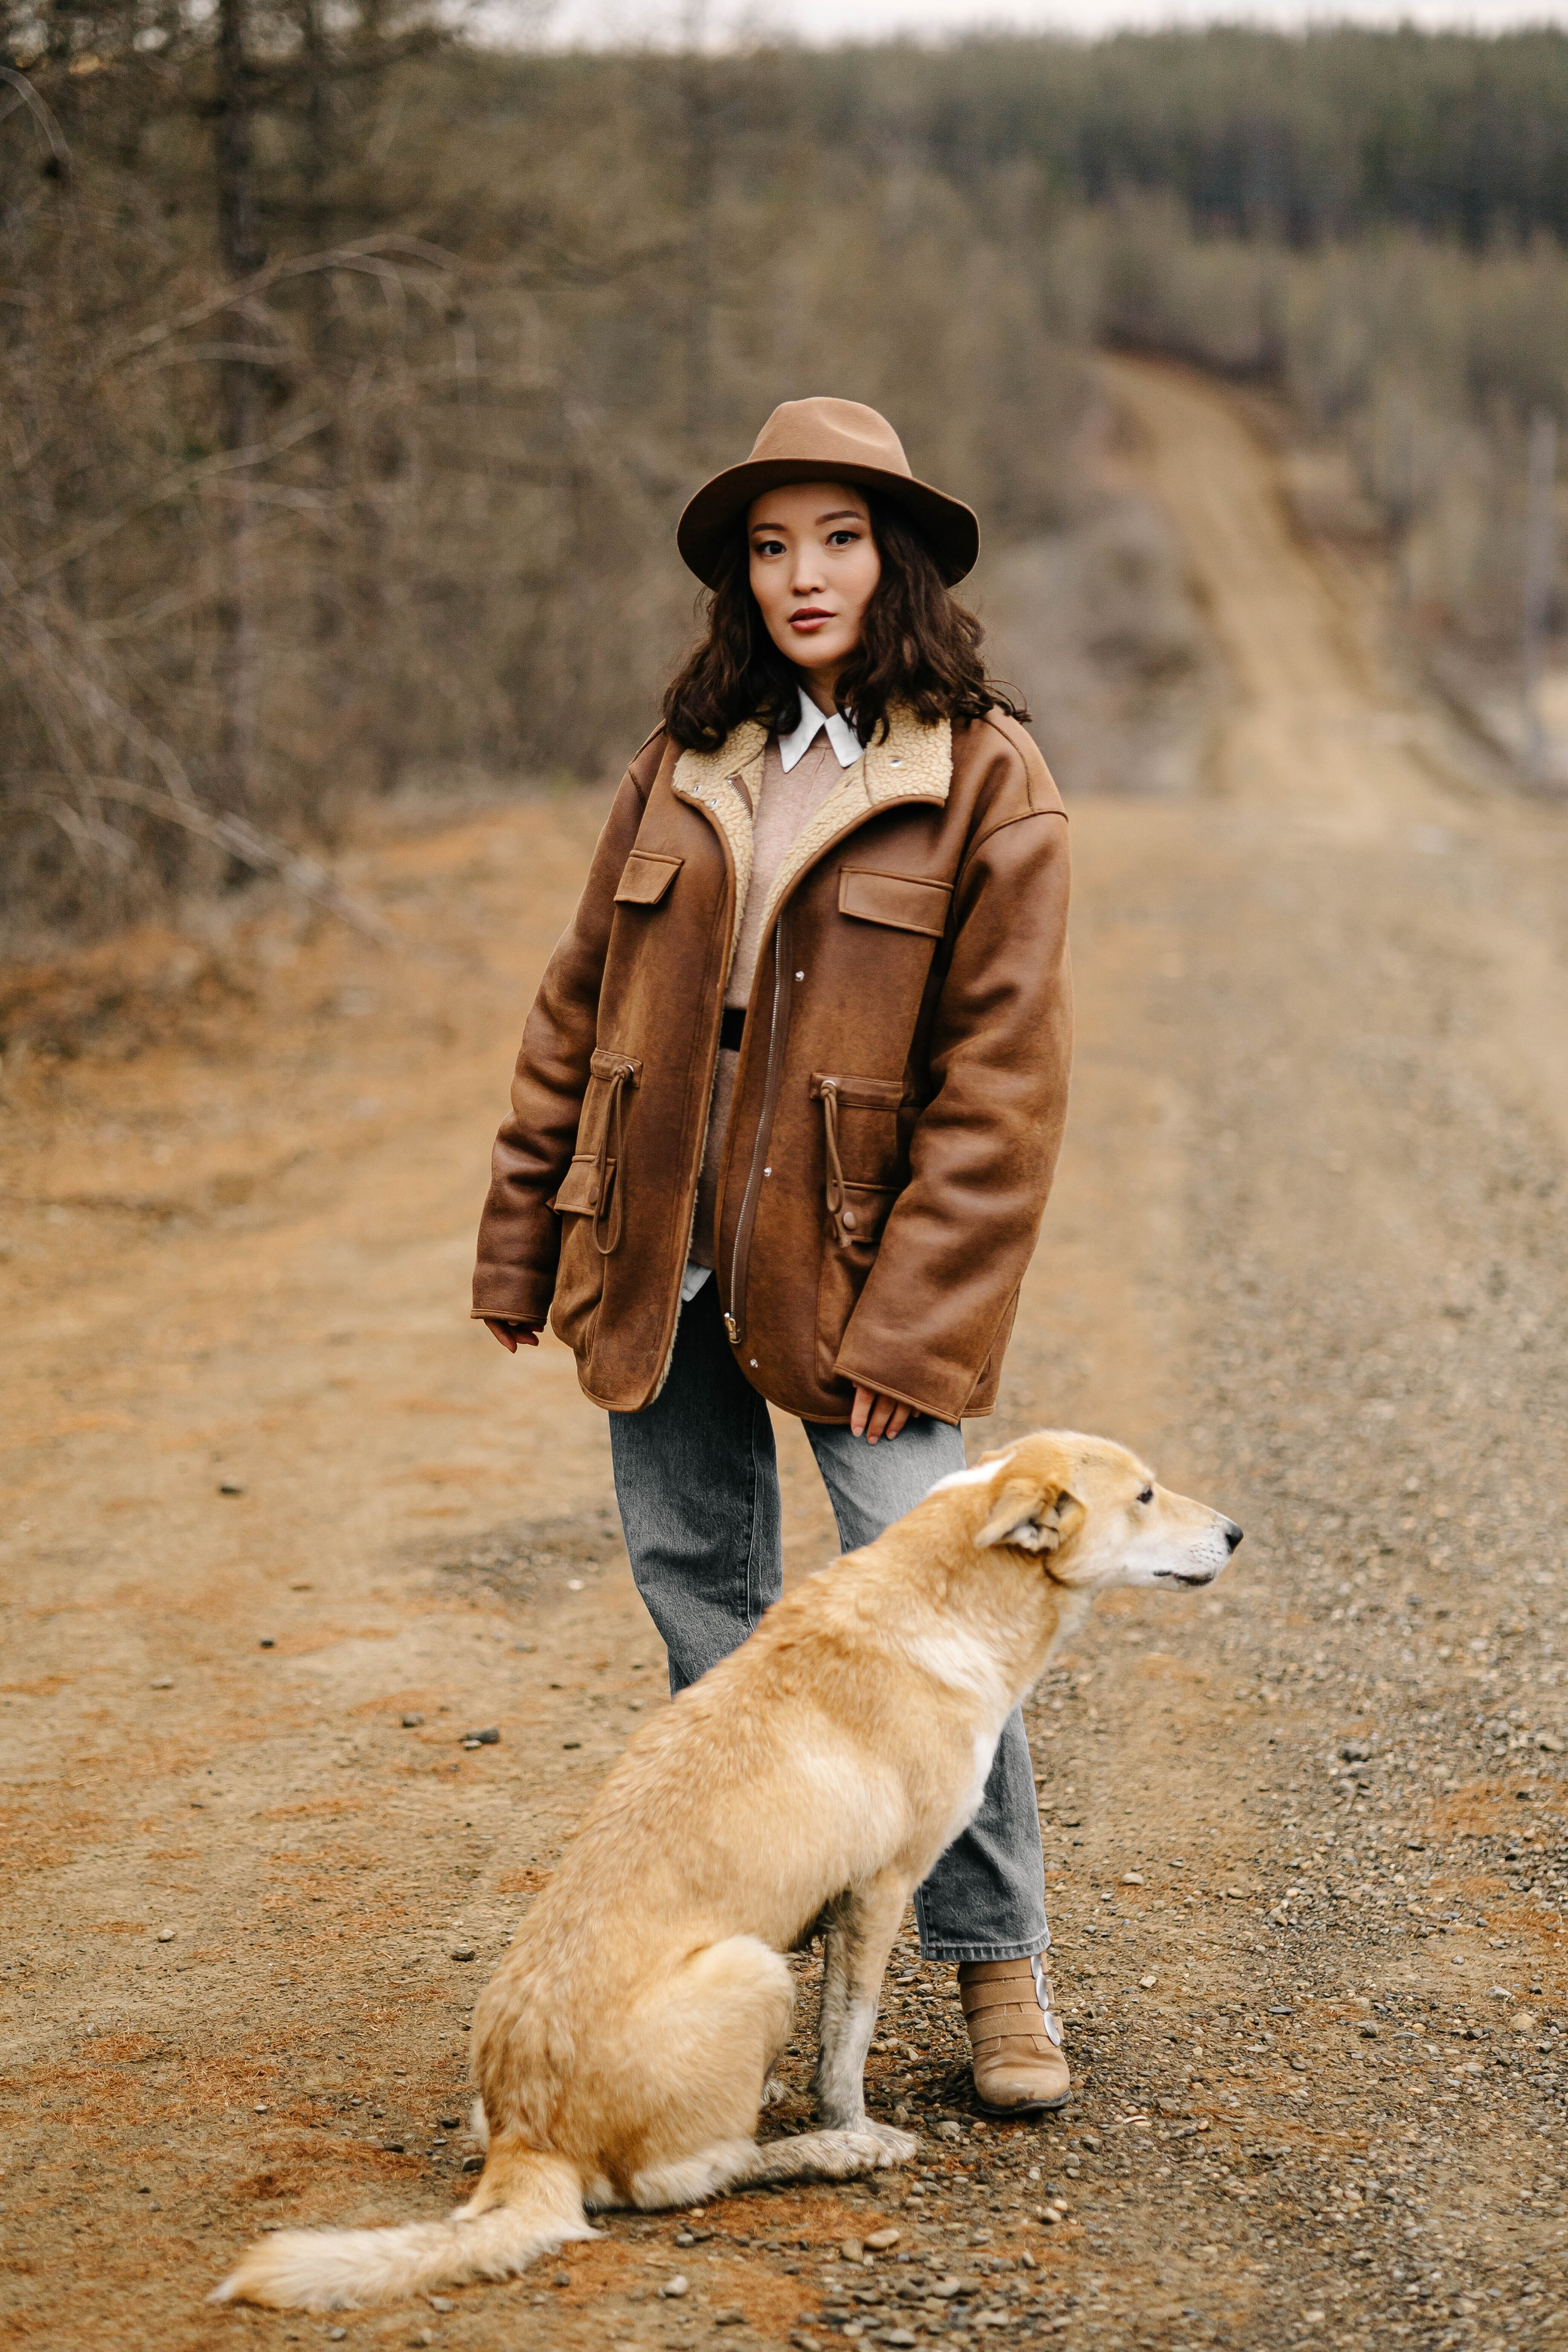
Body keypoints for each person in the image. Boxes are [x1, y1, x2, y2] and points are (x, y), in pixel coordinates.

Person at [472, 396, 1074, 2114]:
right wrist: (526, 1238)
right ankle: (759, 1951)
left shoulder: (984, 777)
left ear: (898, 561)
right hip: (658, 1248)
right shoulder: (684, 760)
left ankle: (998, 1968)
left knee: (941, 1630)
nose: (803, 573)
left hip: (861, 1274)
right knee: (710, 1626)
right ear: (740, 576)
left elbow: (1003, 1089)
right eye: (769, 545)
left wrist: (917, 1331)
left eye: (837, 538)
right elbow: (576, 1007)